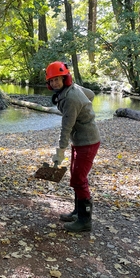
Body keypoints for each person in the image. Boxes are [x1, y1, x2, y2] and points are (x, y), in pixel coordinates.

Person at [46, 61, 100, 232]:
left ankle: (85, 221)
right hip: (80, 140)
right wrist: (84, 110)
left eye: (57, 79)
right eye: (51, 80)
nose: (54, 83)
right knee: (76, 176)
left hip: (87, 141)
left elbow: (66, 128)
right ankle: (78, 212)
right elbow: (90, 94)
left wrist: (59, 152)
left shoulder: (71, 98)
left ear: (65, 78)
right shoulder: (72, 89)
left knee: (79, 179)